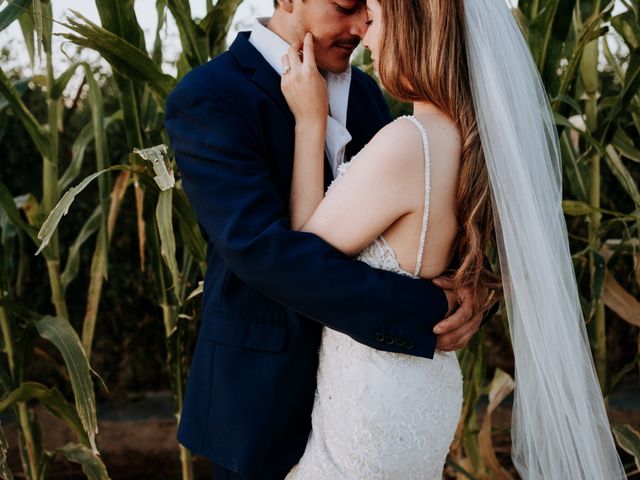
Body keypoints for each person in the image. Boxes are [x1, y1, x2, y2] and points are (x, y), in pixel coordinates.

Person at [279, 0, 627, 478]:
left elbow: (300, 255)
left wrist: (309, 119)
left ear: (413, 31)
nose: (365, 34)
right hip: (424, 386)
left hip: (374, 402)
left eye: (376, 19)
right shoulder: (473, 142)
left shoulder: (409, 142)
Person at [164, 0, 496, 478]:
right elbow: (261, 250)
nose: (362, 24)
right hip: (263, 396)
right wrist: (429, 310)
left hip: (367, 397)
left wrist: (472, 290)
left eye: (370, 7)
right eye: (345, 5)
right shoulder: (211, 95)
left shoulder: (367, 92)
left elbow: (422, 215)